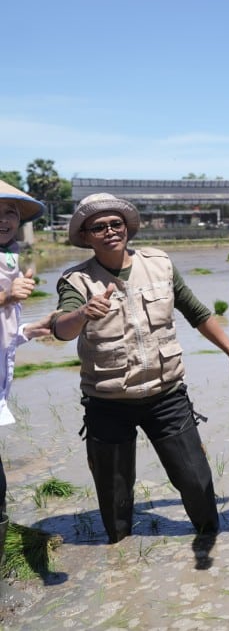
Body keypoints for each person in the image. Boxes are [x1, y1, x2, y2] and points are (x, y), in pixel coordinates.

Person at [53, 193, 229, 544]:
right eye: (98, 227)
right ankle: (121, 558)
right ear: (86, 237)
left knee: (196, 480)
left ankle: (211, 542)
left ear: (127, 228)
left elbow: (198, 313)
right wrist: (83, 313)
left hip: (167, 396)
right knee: (115, 496)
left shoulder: (159, 264)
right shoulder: (76, 281)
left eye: (116, 223)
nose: (110, 231)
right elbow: (60, 329)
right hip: (107, 401)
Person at [0, 183, 54, 563]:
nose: (4, 220)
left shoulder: (8, 259)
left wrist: (28, 332)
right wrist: (5, 296)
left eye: (11, 213)